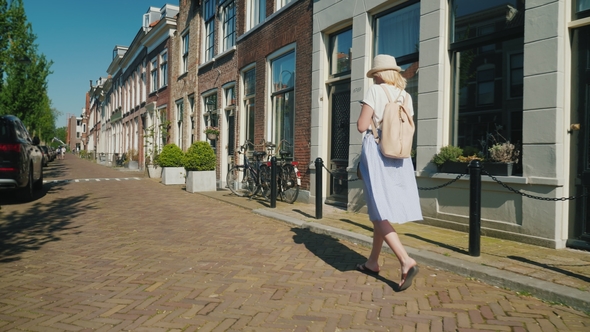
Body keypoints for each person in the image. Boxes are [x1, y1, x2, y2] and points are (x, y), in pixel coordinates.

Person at [356, 54, 422, 291]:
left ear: (379, 74)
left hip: (377, 152)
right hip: (400, 156)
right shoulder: (406, 96)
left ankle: (405, 260)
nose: (374, 78)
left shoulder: (376, 91)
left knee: (378, 209)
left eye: (375, 74)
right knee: (380, 208)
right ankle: (372, 262)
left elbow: (362, 126)